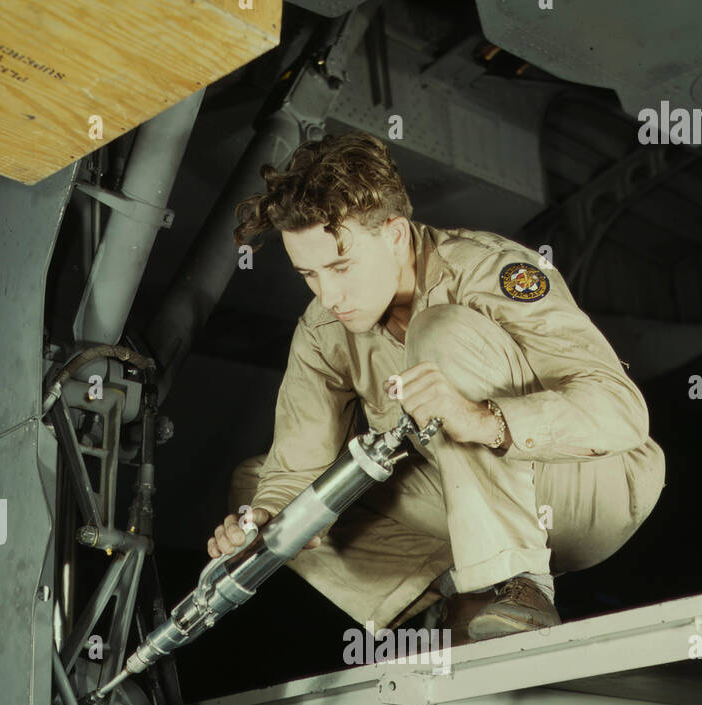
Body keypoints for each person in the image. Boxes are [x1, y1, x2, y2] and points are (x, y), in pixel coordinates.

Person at [206, 131, 665, 646]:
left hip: (589, 486)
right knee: (258, 487)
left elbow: (622, 411)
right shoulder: (322, 331)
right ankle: (450, 593)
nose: (329, 295)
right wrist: (268, 523)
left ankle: (511, 588)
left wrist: (484, 419)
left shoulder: (489, 269)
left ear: (396, 235)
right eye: (309, 274)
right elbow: (297, 467)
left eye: (340, 266)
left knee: (440, 331)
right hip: (467, 506)